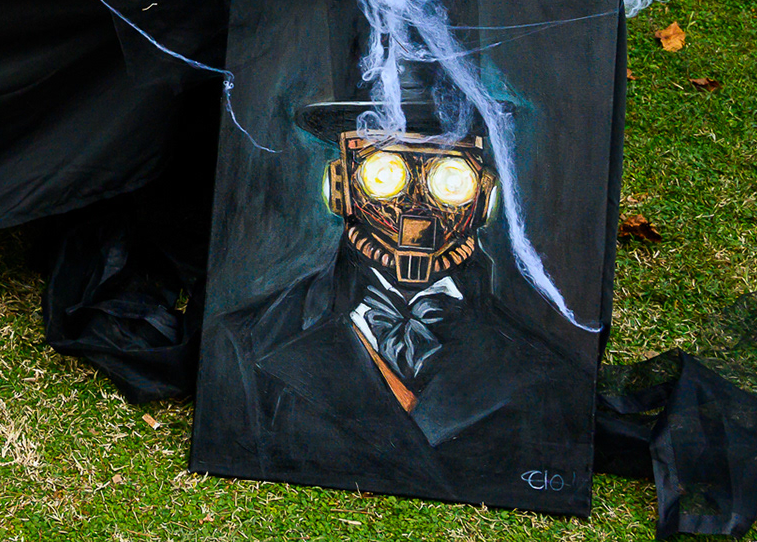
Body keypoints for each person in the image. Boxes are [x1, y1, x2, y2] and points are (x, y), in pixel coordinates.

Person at [202, 129, 592, 505]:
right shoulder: (245, 342)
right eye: (383, 174)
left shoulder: (549, 372)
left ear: (483, 196)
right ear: (340, 187)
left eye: (450, 178)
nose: (416, 204)